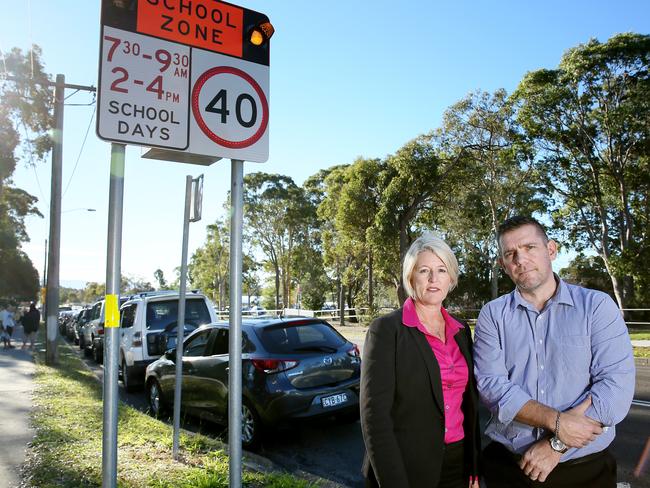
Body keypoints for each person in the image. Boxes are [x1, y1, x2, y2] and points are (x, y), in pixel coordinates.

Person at [473, 216, 635, 488]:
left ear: (551, 250)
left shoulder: (596, 307)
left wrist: (556, 445)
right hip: (510, 468)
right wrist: (556, 421)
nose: (520, 260)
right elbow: (492, 387)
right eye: (510, 254)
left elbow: (615, 388)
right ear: (503, 265)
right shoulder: (493, 315)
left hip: (585, 471)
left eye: (529, 247)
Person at [360, 233, 480, 488]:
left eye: (441, 270)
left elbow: (469, 406)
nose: (434, 279)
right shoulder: (386, 331)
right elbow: (374, 418)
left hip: (458, 465)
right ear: (411, 277)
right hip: (405, 467)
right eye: (424, 270)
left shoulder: (461, 331)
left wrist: (474, 469)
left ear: (451, 277)